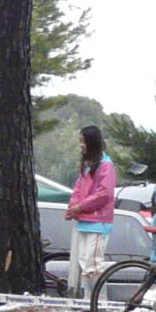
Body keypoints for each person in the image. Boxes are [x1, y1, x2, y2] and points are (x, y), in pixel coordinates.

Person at [64, 125, 116, 299]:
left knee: (93, 265)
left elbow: (104, 194)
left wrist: (79, 207)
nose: (81, 145)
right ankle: (88, 299)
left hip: (98, 223)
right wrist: (73, 208)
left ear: (92, 142)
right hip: (84, 222)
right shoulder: (87, 166)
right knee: (84, 264)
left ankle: (99, 302)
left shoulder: (106, 166)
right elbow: (78, 189)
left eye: (83, 141)